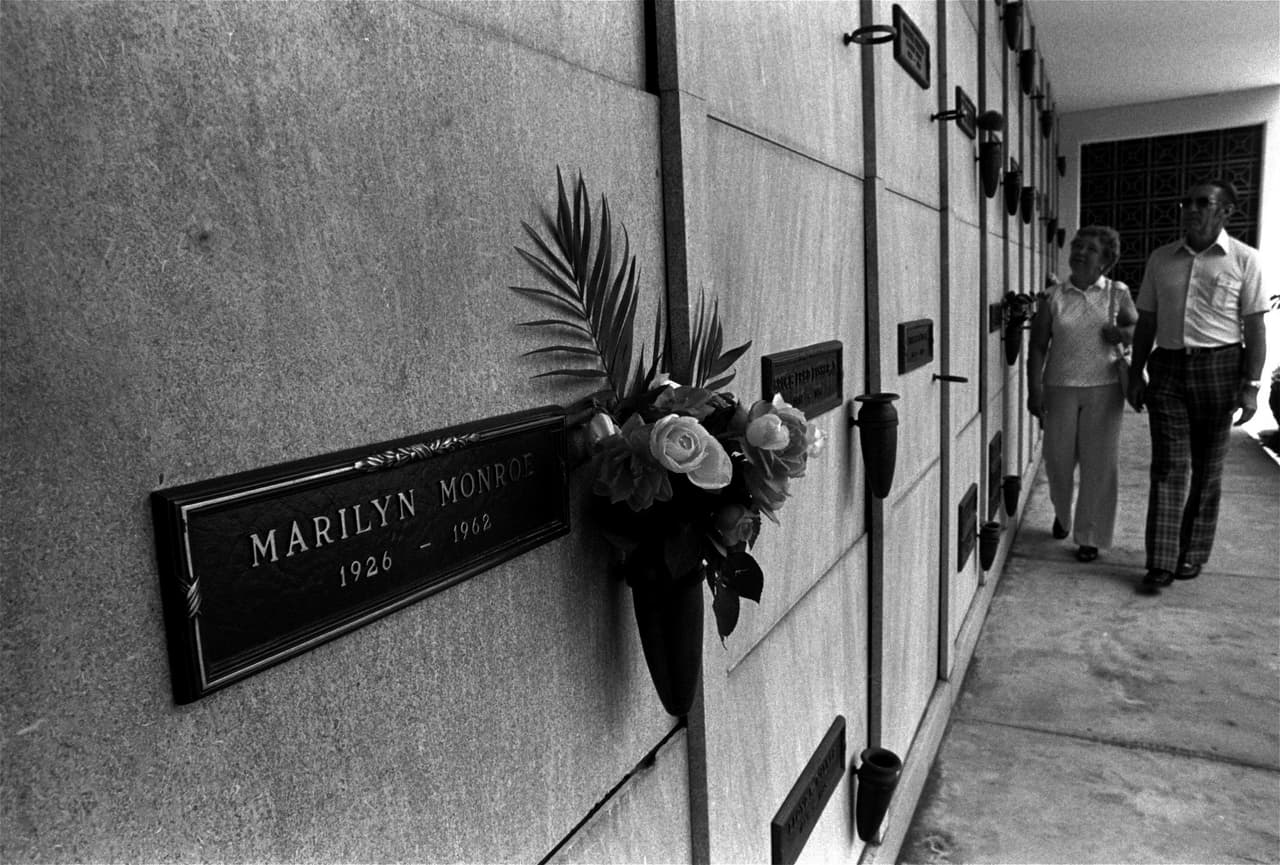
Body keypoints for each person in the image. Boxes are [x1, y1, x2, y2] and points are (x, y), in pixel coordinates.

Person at [1127, 179, 1268, 591]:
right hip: (1168, 368)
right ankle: (1161, 560)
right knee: (1168, 466)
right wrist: (1136, 374)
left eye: (1202, 203)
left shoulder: (1245, 260)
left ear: (1226, 211)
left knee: (1208, 469)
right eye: (1186, 201)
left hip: (1221, 368)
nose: (1190, 208)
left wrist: (1251, 386)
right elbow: (1147, 322)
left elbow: (1255, 326)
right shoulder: (1161, 259)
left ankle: (1192, 553)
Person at [1028, 226, 1136, 563]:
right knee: (1058, 462)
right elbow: (1037, 347)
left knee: (1099, 466)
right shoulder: (1053, 297)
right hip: (1060, 389)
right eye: (1077, 246)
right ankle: (1062, 513)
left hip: (1105, 389)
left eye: (1090, 249)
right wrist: (1035, 390)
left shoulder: (1117, 294)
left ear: (1105, 260)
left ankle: (1090, 536)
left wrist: (1121, 332)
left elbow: (1136, 330)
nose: (1080, 252)